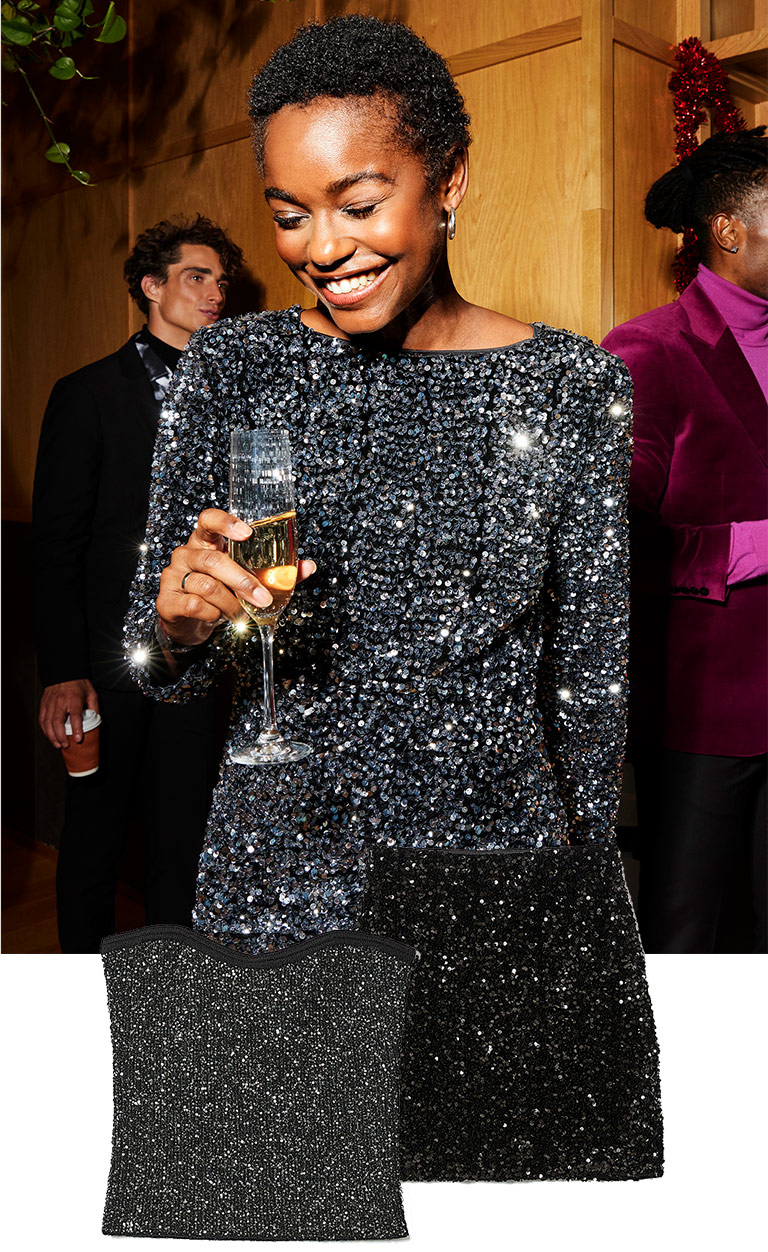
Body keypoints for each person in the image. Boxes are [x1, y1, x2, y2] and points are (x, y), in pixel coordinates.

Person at [125, 16, 662, 1181]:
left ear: (448, 181)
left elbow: (591, 687)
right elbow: (152, 663)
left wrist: (581, 907)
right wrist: (174, 627)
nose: (324, 247)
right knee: (282, 1190)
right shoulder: (232, 369)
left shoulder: (571, 387)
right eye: (289, 214)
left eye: (359, 203)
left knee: (479, 1190)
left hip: (489, 867)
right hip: (281, 871)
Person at [33, 214, 245, 953]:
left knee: (184, 838)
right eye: (197, 276)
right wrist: (63, 672)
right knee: (94, 836)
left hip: (196, 653)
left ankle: (170, 1001)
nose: (215, 293)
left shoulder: (231, 401)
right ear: (152, 287)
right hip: (105, 663)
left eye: (222, 281)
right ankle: (80, 999)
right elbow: (56, 546)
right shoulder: (88, 392)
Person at [603, 128, 768, 954]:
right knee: (689, 936)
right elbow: (615, 536)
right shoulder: (648, 350)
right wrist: (757, 546)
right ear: (730, 230)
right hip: (703, 706)